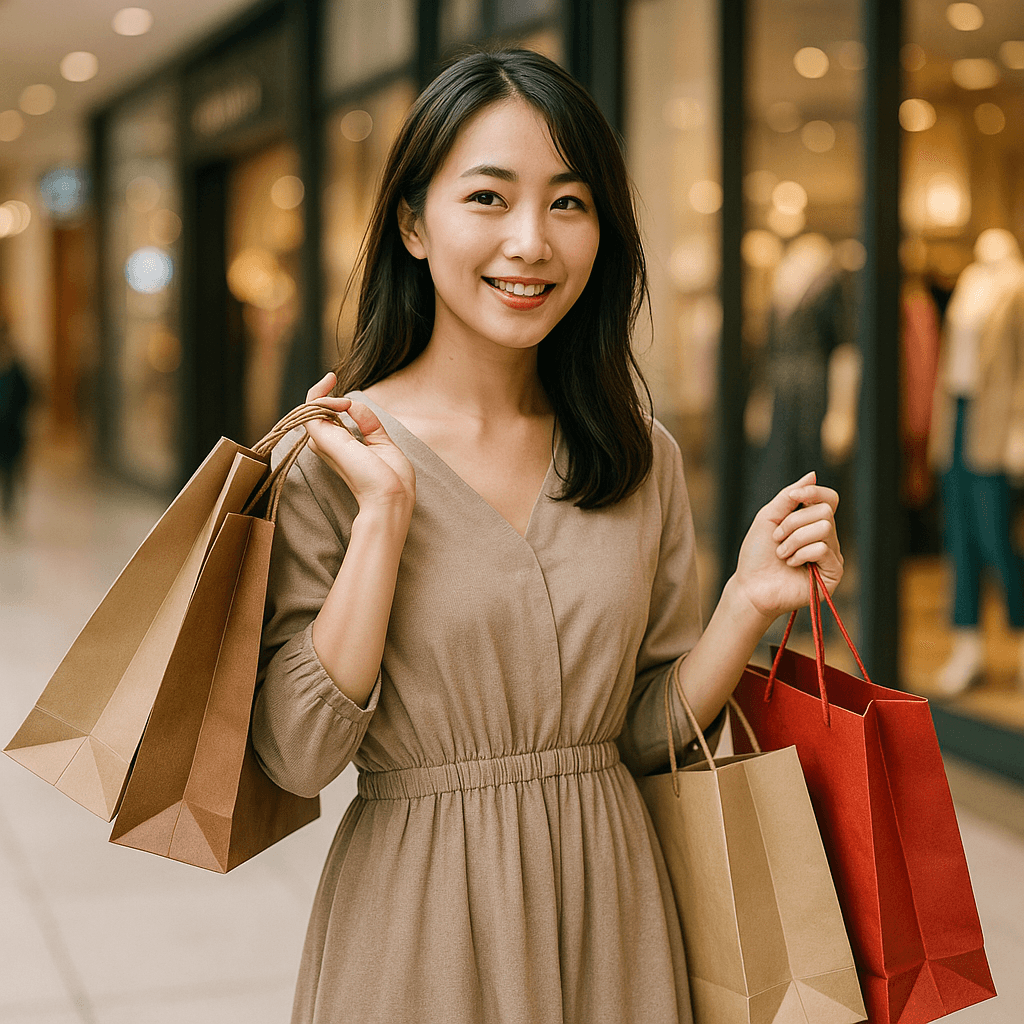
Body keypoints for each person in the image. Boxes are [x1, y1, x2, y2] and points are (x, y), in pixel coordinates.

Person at [252, 49, 843, 1024]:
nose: (530, 240)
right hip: (418, 930)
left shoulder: (635, 452)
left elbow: (643, 733)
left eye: (568, 203)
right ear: (411, 223)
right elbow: (300, 753)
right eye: (488, 197)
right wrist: (384, 520)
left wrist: (742, 605)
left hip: (614, 913)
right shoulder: (333, 457)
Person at [0, 317, 31, 524]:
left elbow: (29, 394)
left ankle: (9, 502)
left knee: (11, 467)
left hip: (11, 428)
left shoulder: (17, 367)